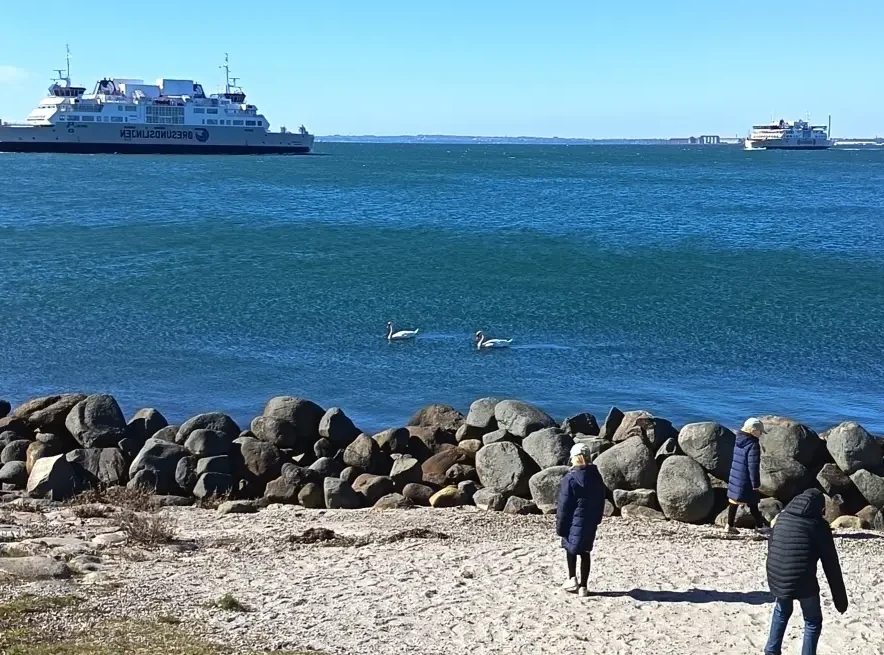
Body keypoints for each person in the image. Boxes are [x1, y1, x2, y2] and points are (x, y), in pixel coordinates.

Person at [764, 488, 848, 655]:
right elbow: (831, 565)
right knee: (812, 621)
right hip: (801, 578)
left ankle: (771, 651)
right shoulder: (818, 526)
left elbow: (772, 547)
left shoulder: (782, 518)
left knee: (782, 610)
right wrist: (840, 601)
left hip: (776, 574)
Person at [557, 443, 606, 597]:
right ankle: (583, 587)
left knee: (570, 548)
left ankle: (572, 578)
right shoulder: (596, 476)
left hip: (573, 521)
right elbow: (601, 500)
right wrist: (597, 518)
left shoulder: (570, 479)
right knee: (585, 552)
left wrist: (560, 526)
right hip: (590, 521)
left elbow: (563, 506)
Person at [726, 417, 767, 534]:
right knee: (753, 503)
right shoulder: (753, 444)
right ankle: (760, 526)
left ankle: (729, 525)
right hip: (746, 479)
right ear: (753, 431)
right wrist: (755, 484)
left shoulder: (739, 439)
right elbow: (753, 466)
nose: (761, 434)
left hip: (736, 475)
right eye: (760, 431)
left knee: (734, 501)